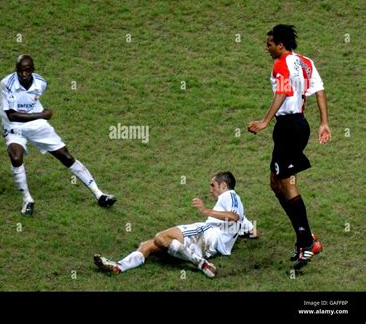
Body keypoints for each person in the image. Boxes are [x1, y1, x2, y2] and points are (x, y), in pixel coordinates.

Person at [248, 24, 331, 269]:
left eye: (269, 43)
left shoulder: (280, 64)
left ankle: (307, 241)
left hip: (288, 127)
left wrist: (264, 121)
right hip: (299, 125)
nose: (267, 47)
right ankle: (303, 237)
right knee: (275, 182)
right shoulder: (306, 62)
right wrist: (324, 122)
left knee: (287, 182)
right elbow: (319, 89)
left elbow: (282, 92)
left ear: (280, 45)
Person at [0, 55, 116, 216]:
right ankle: (27, 199)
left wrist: (39, 115)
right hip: (14, 125)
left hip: (36, 124)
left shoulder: (41, 82)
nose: (23, 74)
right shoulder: (7, 84)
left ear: (32, 70)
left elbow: (33, 101)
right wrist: (42, 115)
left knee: (66, 156)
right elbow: (12, 115)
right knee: (16, 157)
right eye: (20, 70)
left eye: (27, 70)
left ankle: (99, 194)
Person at [94, 172, 259, 278]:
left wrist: (206, 211)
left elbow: (234, 216)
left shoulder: (229, 195)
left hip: (206, 234)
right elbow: (252, 231)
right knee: (148, 245)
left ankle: (199, 263)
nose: (211, 190)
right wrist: (241, 234)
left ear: (223, 185)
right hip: (209, 247)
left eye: (213, 185)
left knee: (161, 237)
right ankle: (119, 266)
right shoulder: (242, 216)